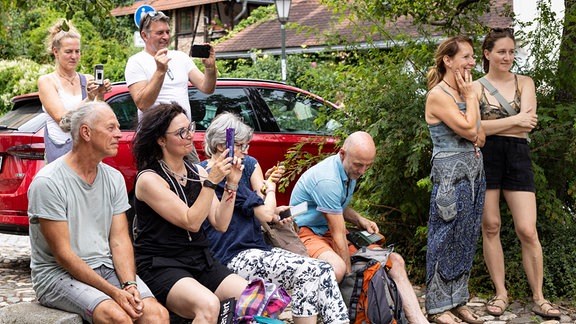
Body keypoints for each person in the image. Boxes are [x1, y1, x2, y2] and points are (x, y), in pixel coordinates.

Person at [200, 112, 350, 324]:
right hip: (234, 256)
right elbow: (264, 211)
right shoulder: (218, 174)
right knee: (317, 270)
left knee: (315, 273)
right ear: (220, 146)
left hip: (255, 249)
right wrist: (270, 189)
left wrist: (272, 209)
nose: (246, 151)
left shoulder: (238, 169)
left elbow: (261, 212)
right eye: (242, 145)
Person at [27, 101, 168, 323]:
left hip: (105, 266)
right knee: (117, 317)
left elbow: (120, 240)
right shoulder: (48, 182)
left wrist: (129, 284)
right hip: (56, 276)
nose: (120, 135)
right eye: (111, 128)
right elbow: (63, 255)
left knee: (157, 315)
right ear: (86, 132)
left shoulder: (114, 178)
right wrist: (114, 292)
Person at [289, 131, 429, 324]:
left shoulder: (348, 169)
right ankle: (336, 314)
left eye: (368, 166)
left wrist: (360, 220)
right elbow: (339, 235)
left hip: (329, 229)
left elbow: (338, 207)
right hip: (307, 232)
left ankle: (419, 321)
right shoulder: (327, 179)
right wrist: (349, 278)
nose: (362, 171)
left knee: (395, 261)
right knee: (338, 269)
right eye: (358, 165)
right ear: (342, 154)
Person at [131, 103, 249, 322]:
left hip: (200, 259)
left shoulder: (198, 172)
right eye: (181, 132)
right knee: (208, 305)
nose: (190, 136)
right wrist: (212, 181)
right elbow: (191, 221)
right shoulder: (149, 179)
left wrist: (231, 184)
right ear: (161, 140)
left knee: (254, 299)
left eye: (190, 128)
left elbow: (220, 223)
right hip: (162, 263)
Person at [474, 28, 560, 319]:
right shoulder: (475, 87)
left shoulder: (525, 82)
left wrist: (492, 123)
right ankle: (500, 294)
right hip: (486, 157)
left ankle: (539, 297)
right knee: (491, 226)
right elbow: (473, 129)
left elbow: (527, 126)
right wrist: (514, 120)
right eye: (501, 52)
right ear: (487, 54)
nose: (508, 57)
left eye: (511, 52)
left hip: (518, 156)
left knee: (527, 229)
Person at [424, 36, 486, 324]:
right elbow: (467, 129)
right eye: (466, 56)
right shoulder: (439, 95)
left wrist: (471, 122)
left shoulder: (465, 91)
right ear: (448, 60)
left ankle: (458, 299)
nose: (472, 62)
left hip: (474, 172)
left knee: (467, 235)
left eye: (473, 57)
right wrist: (471, 101)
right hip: (450, 175)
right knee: (444, 235)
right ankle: (437, 307)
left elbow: (479, 135)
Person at [125, 11, 217, 163]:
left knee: (193, 184)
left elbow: (207, 88)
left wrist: (210, 68)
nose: (166, 37)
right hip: (154, 140)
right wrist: (160, 71)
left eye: (167, 32)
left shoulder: (181, 57)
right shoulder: (136, 62)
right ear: (144, 36)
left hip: (183, 136)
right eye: (159, 32)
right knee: (158, 185)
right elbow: (142, 103)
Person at [38, 19, 112, 163]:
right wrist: (89, 99)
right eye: (68, 52)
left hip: (87, 153)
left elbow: (97, 118)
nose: (74, 56)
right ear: (56, 52)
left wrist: (101, 94)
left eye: (77, 51)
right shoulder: (47, 81)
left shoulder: (88, 80)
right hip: (61, 156)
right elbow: (63, 122)